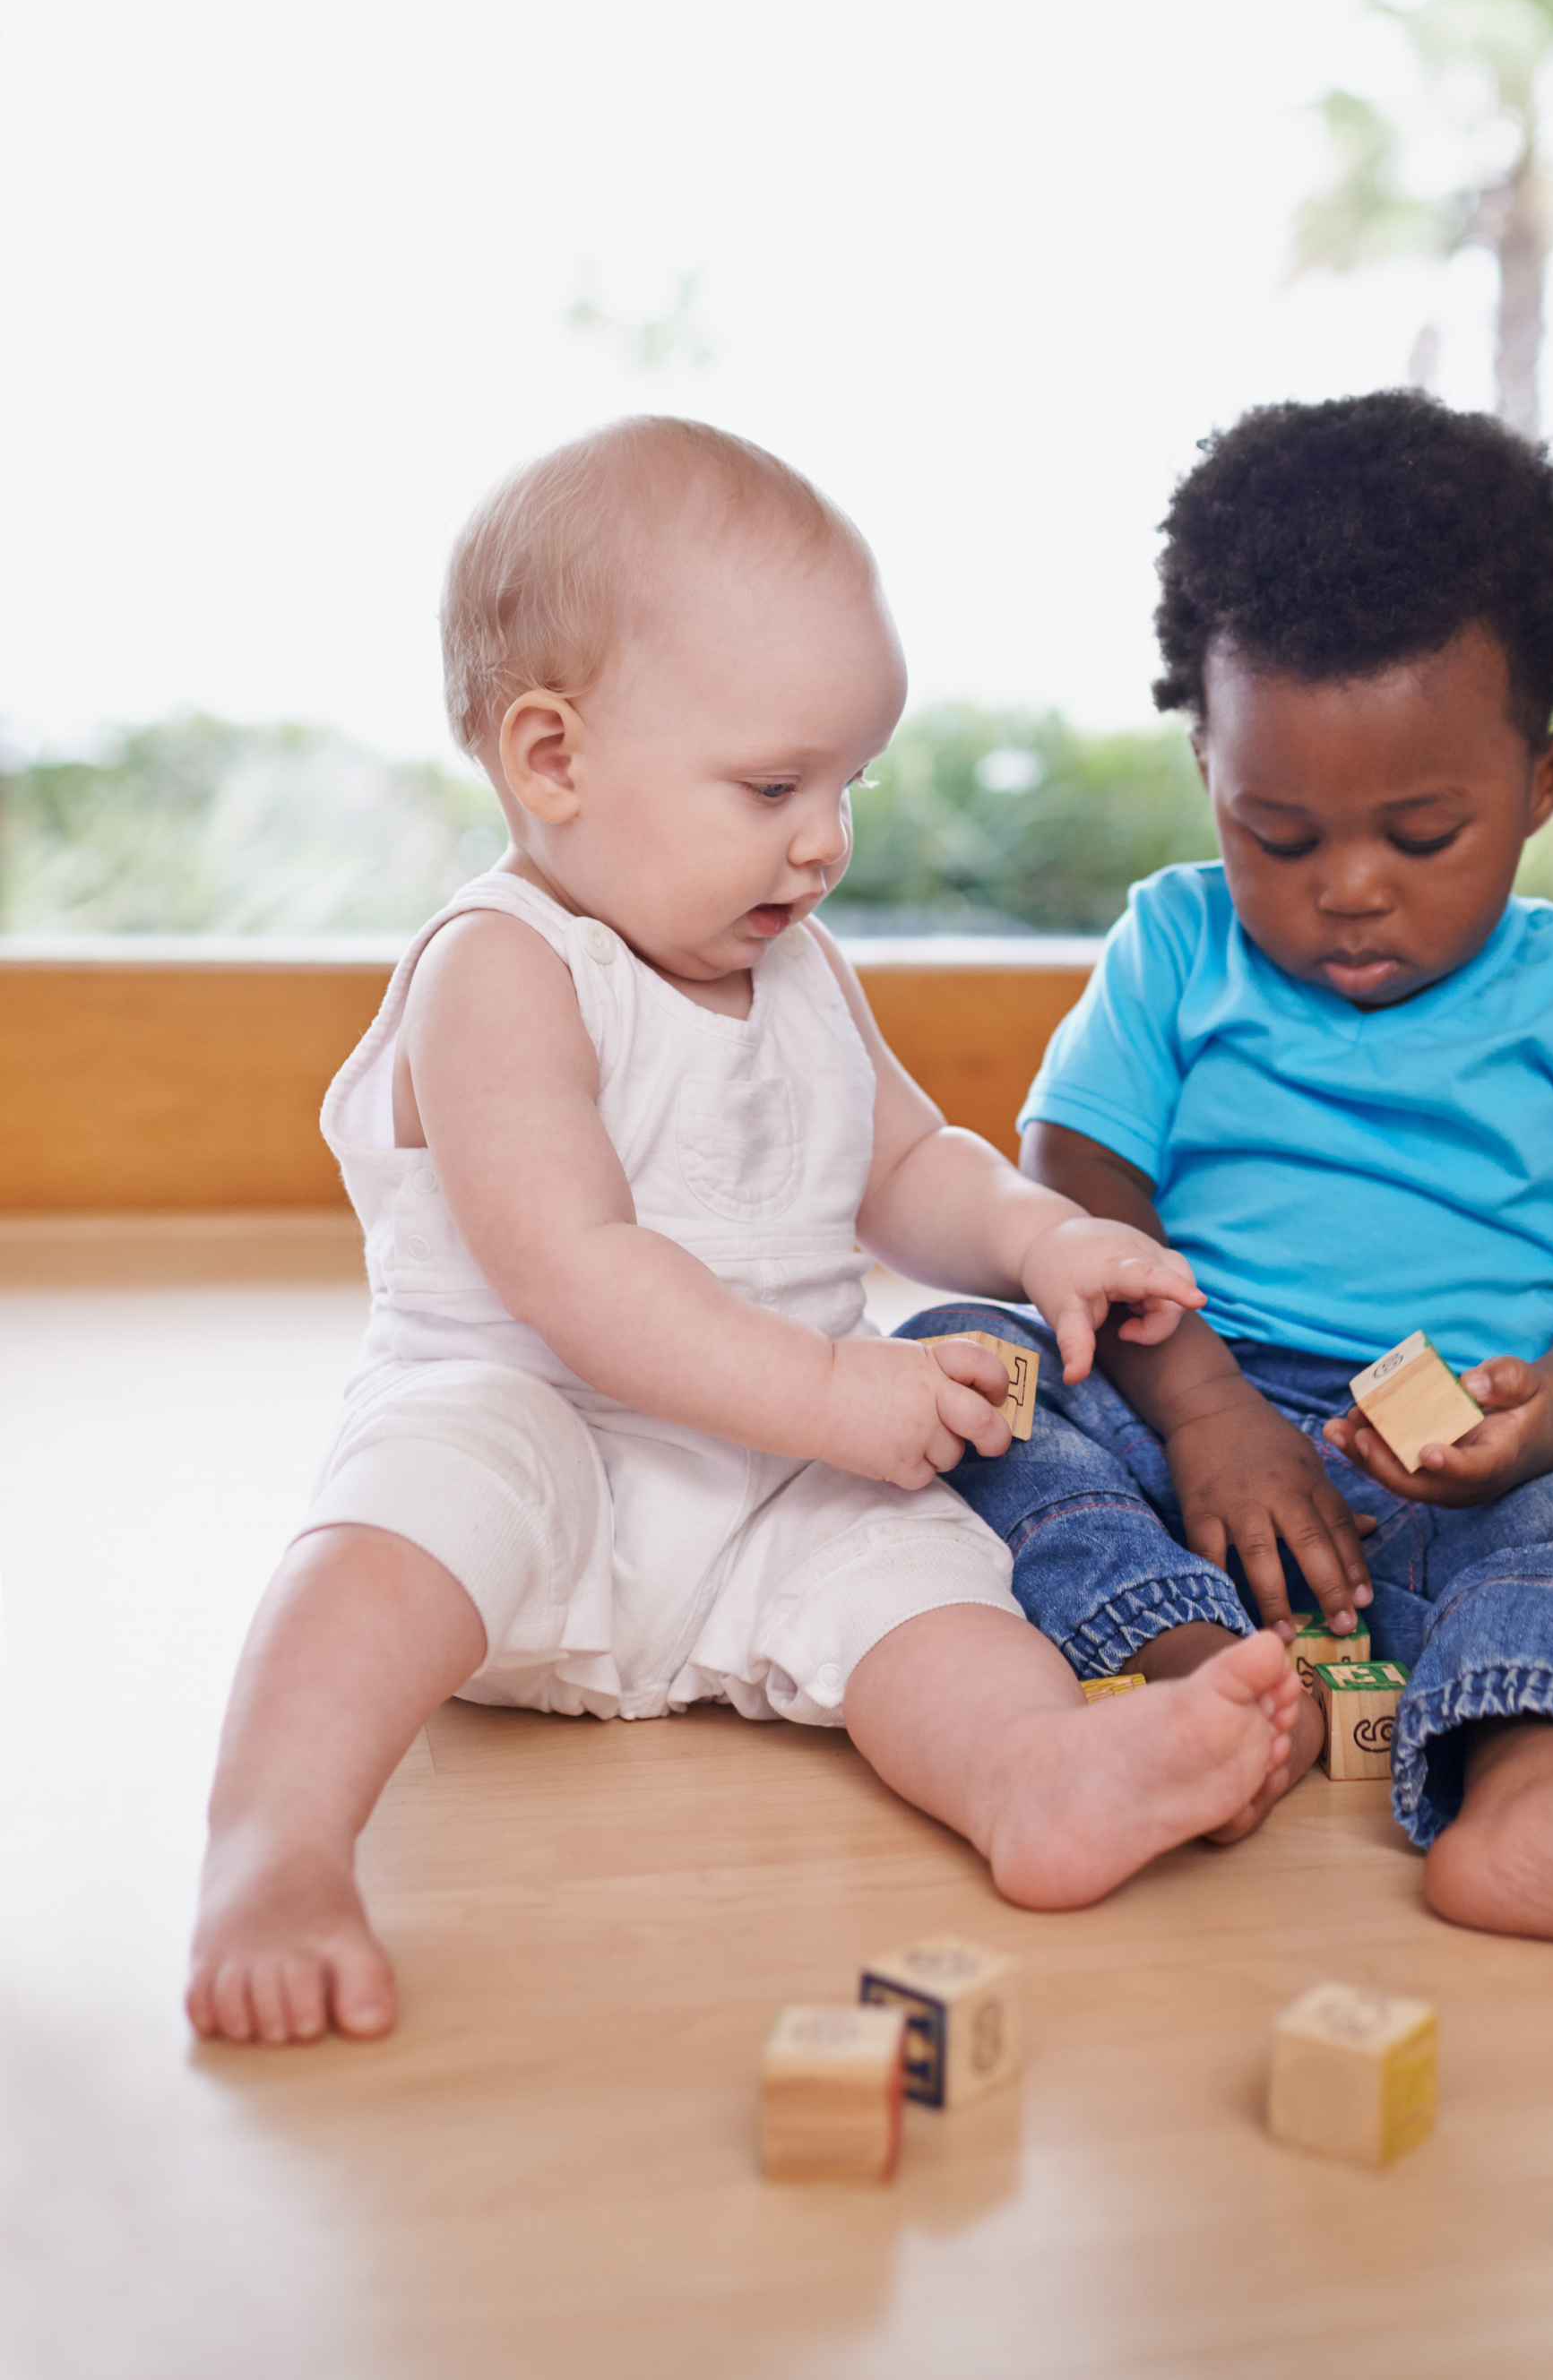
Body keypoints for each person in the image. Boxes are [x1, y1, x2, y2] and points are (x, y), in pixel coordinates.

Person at [186, 417, 1300, 2048]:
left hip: (768, 1478)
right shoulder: (498, 969)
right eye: (773, 784)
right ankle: (273, 1844)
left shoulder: (802, 970)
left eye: (848, 784)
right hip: (541, 1441)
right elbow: (573, 1266)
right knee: (395, 1528)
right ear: (551, 757)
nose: (822, 840)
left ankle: (1038, 1773)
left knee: (928, 1576)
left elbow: (908, 1156)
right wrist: (835, 1393)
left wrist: (1040, 1237)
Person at [903, 390, 1553, 1947]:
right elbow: (1072, 1172)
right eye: (1278, 833)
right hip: (1170, 1418)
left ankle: (1538, 1788)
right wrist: (1201, 1405)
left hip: (1454, 1482)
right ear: (1208, 760)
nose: (1348, 890)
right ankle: (1190, 1675)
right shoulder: (1175, 944)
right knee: (958, 1367)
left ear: (1544, 781)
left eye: (1423, 834)